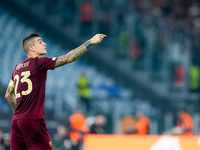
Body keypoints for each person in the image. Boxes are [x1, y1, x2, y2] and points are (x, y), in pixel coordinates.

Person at [4, 33, 106, 150]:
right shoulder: (39, 62)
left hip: (16, 121)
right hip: (33, 120)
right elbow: (69, 58)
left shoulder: (17, 67)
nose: (44, 43)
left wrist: (20, 112)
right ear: (31, 48)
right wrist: (90, 42)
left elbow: (8, 95)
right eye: (40, 41)